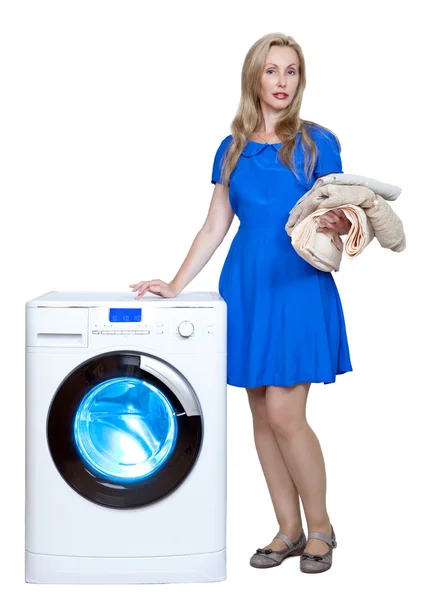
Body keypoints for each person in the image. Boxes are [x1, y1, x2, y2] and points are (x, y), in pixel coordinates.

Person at [129, 32, 353, 574]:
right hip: (246, 289)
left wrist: (341, 221)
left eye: (292, 72)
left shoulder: (317, 142)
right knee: (260, 416)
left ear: (301, 80)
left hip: (298, 287)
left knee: (285, 414)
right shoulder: (231, 148)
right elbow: (214, 226)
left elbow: (346, 213)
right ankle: (287, 529)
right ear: (255, 77)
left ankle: (321, 527)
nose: (282, 82)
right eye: (273, 71)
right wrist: (176, 284)